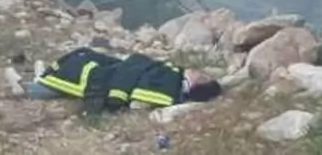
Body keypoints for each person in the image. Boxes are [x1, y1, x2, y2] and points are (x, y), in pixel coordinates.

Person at [19, 47, 223, 113]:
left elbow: (138, 100)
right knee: (86, 57)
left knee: (74, 75)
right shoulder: (172, 75)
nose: (198, 71)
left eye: (203, 76)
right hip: (116, 68)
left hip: (104, 78)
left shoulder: (168, 86)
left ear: (196, 85)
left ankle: (26, 87)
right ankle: (40, 77)